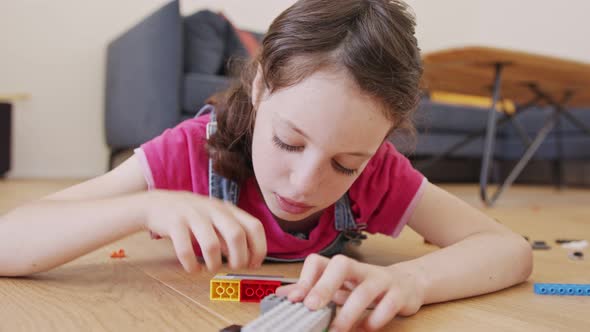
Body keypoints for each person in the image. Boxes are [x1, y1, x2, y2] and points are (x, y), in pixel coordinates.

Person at [0, 0, 532, 330]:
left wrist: (414, 280)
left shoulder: (381, 172)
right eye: (288, 142)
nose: (305, 184)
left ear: (382, 141)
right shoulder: (188, 152)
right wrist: (144, 206)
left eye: (346, 165)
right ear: (258, 89)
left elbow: (507, 249)